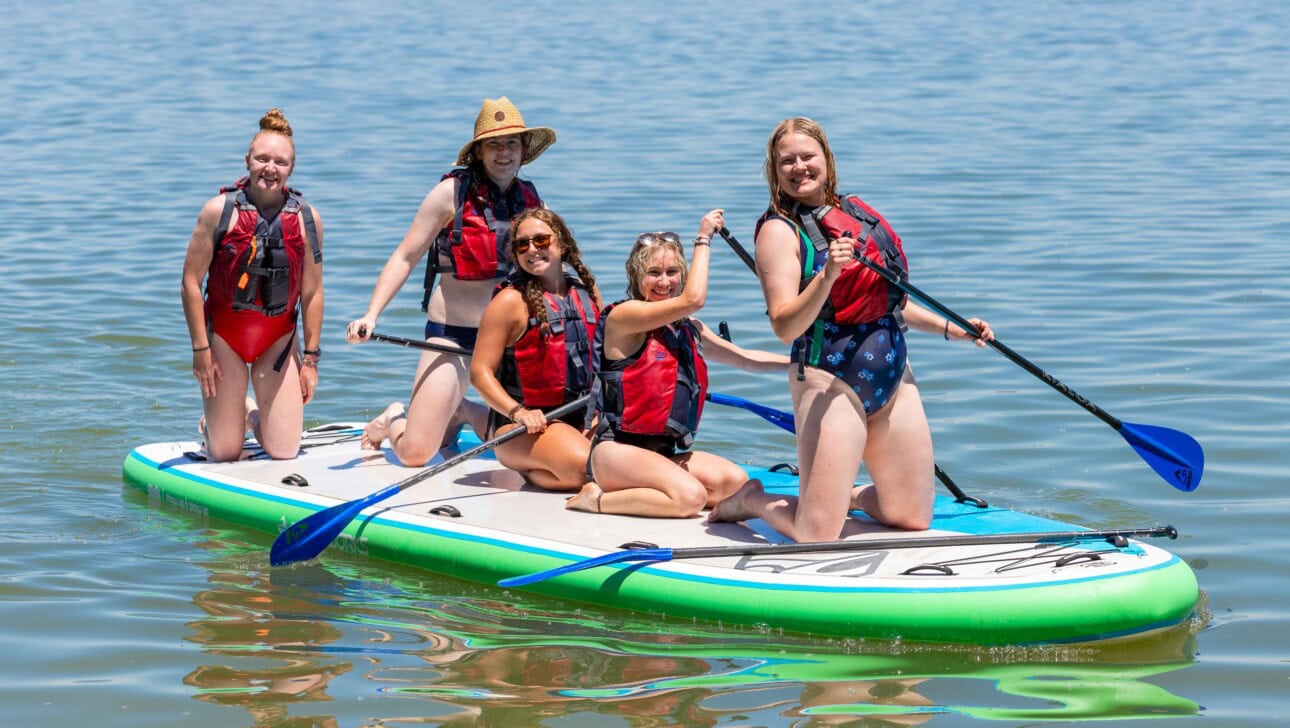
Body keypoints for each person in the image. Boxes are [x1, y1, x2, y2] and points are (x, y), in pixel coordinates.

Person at [709, 117, 994, 541]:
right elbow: (785, 326)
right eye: (787, 161)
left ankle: (851, 494)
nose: (799, 167)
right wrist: (827, 276)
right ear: (774, 170)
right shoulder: (778, 231)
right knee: (816, 534)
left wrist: (953, 329)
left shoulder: (855, 214)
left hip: (892, 373)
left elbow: (891, 303)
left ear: (827, 159)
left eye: (808, 156)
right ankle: (753, 499)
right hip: (829, 380)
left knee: (912, 517)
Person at [346, 97, 556, 466]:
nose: (504, 153)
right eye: (494, 144)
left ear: (524, 150)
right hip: (453, 336)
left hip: (507, 343)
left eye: (512, 143)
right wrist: (371, 315)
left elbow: (552, 266)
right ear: (478, 152)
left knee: (525, 440)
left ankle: (460, 410)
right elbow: (405, 256)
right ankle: (392, 417)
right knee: (415, 454)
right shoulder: (450, 194)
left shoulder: (531, 198)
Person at [567, 209, 790, 518]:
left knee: (736, 483)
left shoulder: (688, 328)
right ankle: (594, 499)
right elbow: (694, 299)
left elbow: (746, 359)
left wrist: (800, 365)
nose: (665, 281)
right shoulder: (625, 317)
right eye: (654, 273)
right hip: (616, 453)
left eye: (673, 272)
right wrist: (703, 239)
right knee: (691, 498)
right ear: (636, 276)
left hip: (664, 453)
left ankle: (661, 488)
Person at [181, 108, 324, 462]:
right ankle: (220, 425)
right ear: (247, 161)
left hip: (277, 341)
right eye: (262, 159)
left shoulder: (308, 219)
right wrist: (201, 351)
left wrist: (310, 360)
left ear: (291, 168)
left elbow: (313, 292)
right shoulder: (218, 211)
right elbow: (189, 282)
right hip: (224, 341)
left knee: (285, 450)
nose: (270, 168)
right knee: (226, 452)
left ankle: (250, 415)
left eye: (280, 162)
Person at [469, 208, 600, 491]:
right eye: (522, 244)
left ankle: (468, 414)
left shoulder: (587, 291)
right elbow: (480, 372)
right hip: (523, 427)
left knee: (624, 462)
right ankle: (464, 414)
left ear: (562, 243)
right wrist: (519, 413)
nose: (532, 249)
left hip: (581, 416)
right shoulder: (508, 302)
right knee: (585, 470)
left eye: (541, 241)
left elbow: (607, 358)